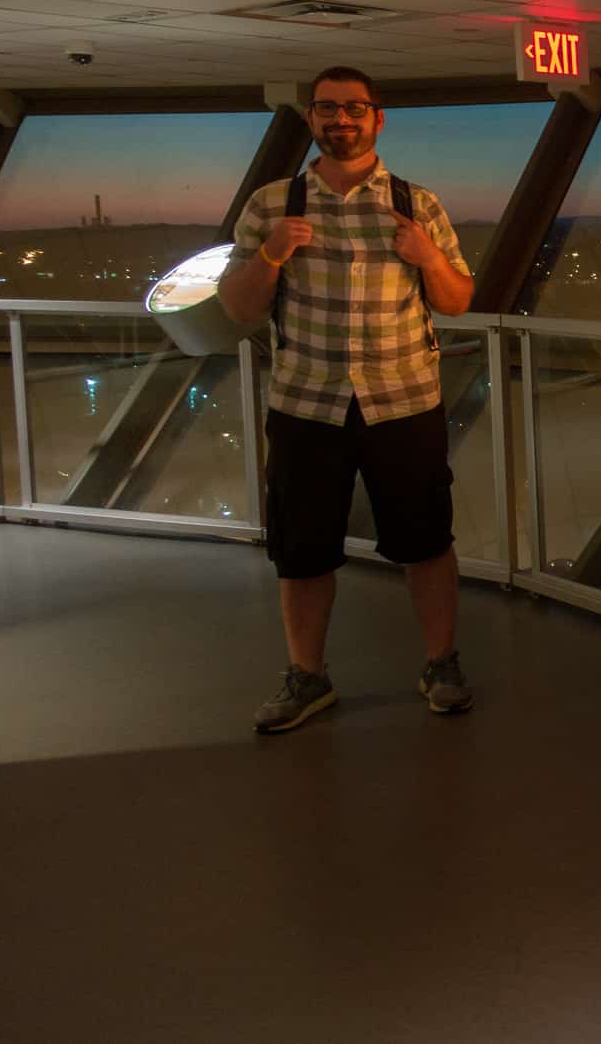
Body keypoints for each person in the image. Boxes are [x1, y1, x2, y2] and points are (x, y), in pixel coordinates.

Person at [218, 65, 478, 733]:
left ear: (378, 118)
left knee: (425, 541)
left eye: (355, 108)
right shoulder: (271, 205)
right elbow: (239, 308)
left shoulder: (417, 204)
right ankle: (308, 676)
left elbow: (456, 300)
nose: (342, 120)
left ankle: (440, 663)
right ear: (311, 117)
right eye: (328, 108)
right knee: (301, 549)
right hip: (307, 404)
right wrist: (271, 255)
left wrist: (426, 256)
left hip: (403, 402)